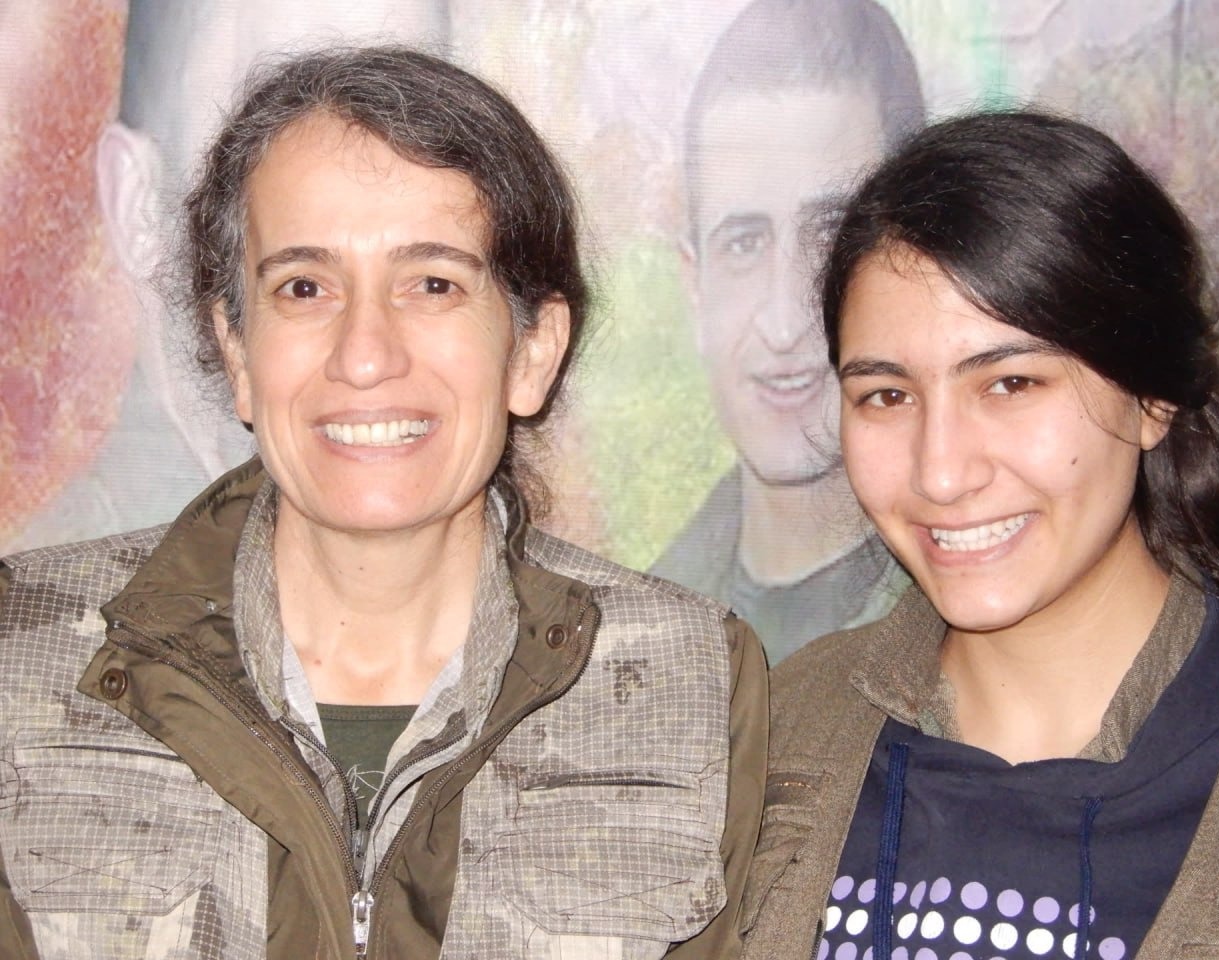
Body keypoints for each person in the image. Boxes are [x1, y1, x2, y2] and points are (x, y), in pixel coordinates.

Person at [0, 46, 767, 959]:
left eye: (433, 284)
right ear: (237, 352)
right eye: (305, 287)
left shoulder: (688, 679)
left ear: (531, 352)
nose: (365, 355)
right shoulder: (23, 653)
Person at [743, 111, 1219, 959]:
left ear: (1152, 396)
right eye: (887, 396)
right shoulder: (778, 731)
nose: (940, 472)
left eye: (1011, 383)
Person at [6, 0, 450, 552]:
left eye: (414, 136)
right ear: (137, 208)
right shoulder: (52, 596)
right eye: (272, 136)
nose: (367, 355)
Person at [651, 0, 923, 664]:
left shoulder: (998, 612)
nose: (783, 323)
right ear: (695, 287)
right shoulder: (627, 632)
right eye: (744, 243)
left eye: (829, 237)